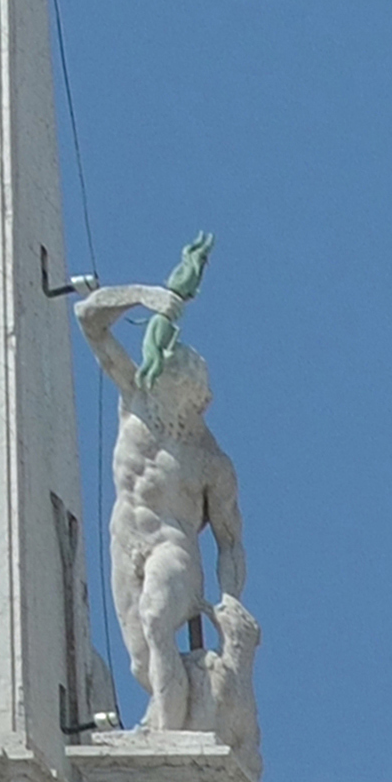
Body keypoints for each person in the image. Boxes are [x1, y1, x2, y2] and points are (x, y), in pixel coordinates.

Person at [70, 245, 248, 739]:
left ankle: (168, 739)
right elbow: (88, 318)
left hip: (174, 550)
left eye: (167, 377)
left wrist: (230, 600)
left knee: (155, 620)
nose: (154, 376)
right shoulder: (138, 403)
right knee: (141, 664)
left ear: (191, 393)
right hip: (124, 540)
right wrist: (148, 296)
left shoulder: (211, 461)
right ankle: (166, 718)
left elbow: (230, 540)